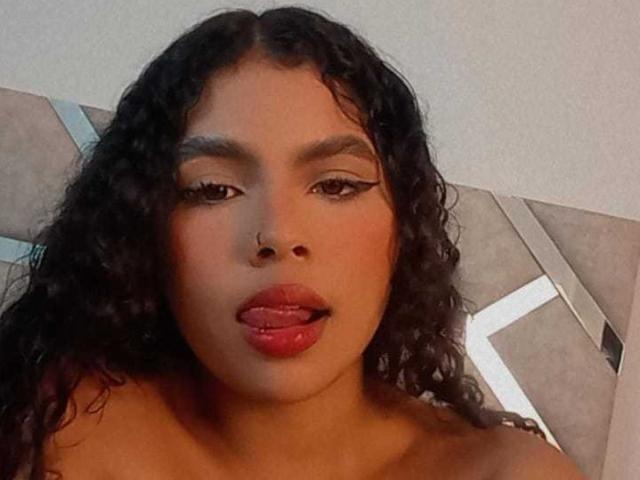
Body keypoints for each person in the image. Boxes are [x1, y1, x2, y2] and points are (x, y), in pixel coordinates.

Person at [0, 6, 586, 479]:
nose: (277, 235)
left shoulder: (509, 475)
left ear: (404, 228)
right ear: (143, 225)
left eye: (336, 185)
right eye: (213, 189)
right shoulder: (59, 429)